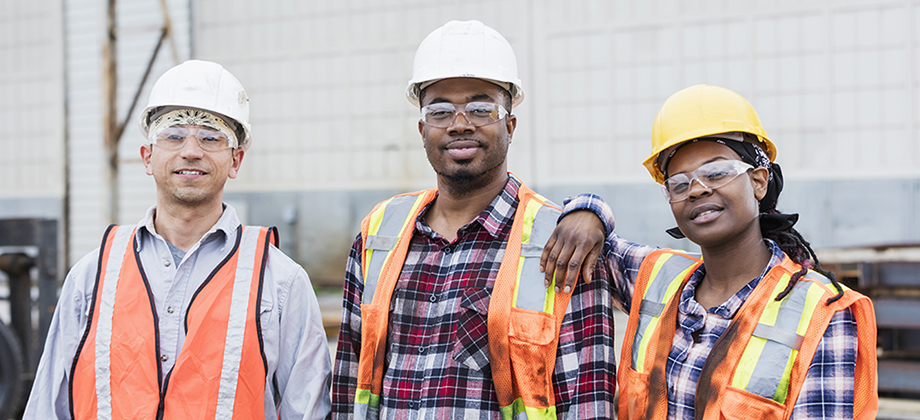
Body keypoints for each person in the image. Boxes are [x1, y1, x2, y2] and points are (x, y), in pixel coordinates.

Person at [331, 20, 616, 419]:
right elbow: (348, 382)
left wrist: (595, 209)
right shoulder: (380, 231)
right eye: (441, 110)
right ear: (422, 129)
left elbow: (588, 400)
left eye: (481, 109)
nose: (460, 123)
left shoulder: (560, 241)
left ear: (510, 126)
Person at [541, 84, 878, 420]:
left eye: (717, 173)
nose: (697, 190)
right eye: (680, 184)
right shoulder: (657, 279)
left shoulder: (824, 314)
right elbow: (593, 243)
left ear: (759, 181)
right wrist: (588, 210)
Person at [23, 60, 332, 419]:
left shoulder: (281, 283)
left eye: (210, 136)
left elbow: (307, 410)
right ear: (148, 157)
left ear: (236, 160)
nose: (191, 150)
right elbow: (48, 407)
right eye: (173, 135)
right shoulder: (91, 277)